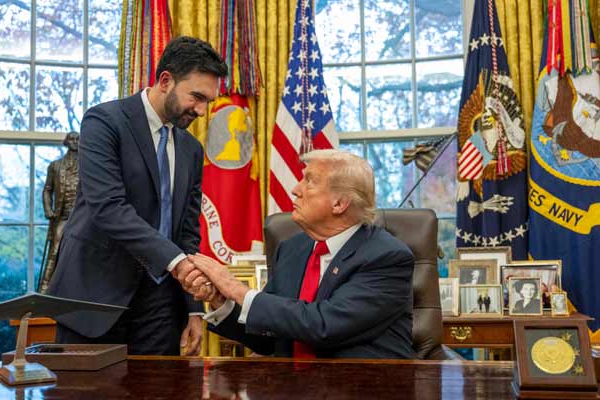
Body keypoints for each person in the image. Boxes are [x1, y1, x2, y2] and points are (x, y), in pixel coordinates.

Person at [46, 36, 228, 356]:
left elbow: (187, 231)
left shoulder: (191, 149)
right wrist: (177, 263)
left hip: (160, 305)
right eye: (196, 96)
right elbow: (108, 208)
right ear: (165, 80)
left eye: (207, 102)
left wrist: (193, 309)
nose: (201, 110)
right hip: (94, 296)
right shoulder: (104, 122)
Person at [184, 149, 415, 359]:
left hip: (359, 387)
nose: (295, 189)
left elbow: (324, 325)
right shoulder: (292, 248)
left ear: (339, 203)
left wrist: (236, 289)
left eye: (309, 181)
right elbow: (268, 337)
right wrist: (220, 299)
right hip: (293, 387)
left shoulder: (387, 257)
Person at [38, 132, 79, 293]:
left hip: (82, 218)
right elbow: (47, 190)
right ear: (66, 142)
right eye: (72, 139)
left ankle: (76, 292)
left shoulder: (88, 166)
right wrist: (48, 209)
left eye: (78, 139)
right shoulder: (55, 166)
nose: (75, 142)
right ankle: (44, 290)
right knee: (54, 251)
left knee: (80, 254)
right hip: (62, 216)